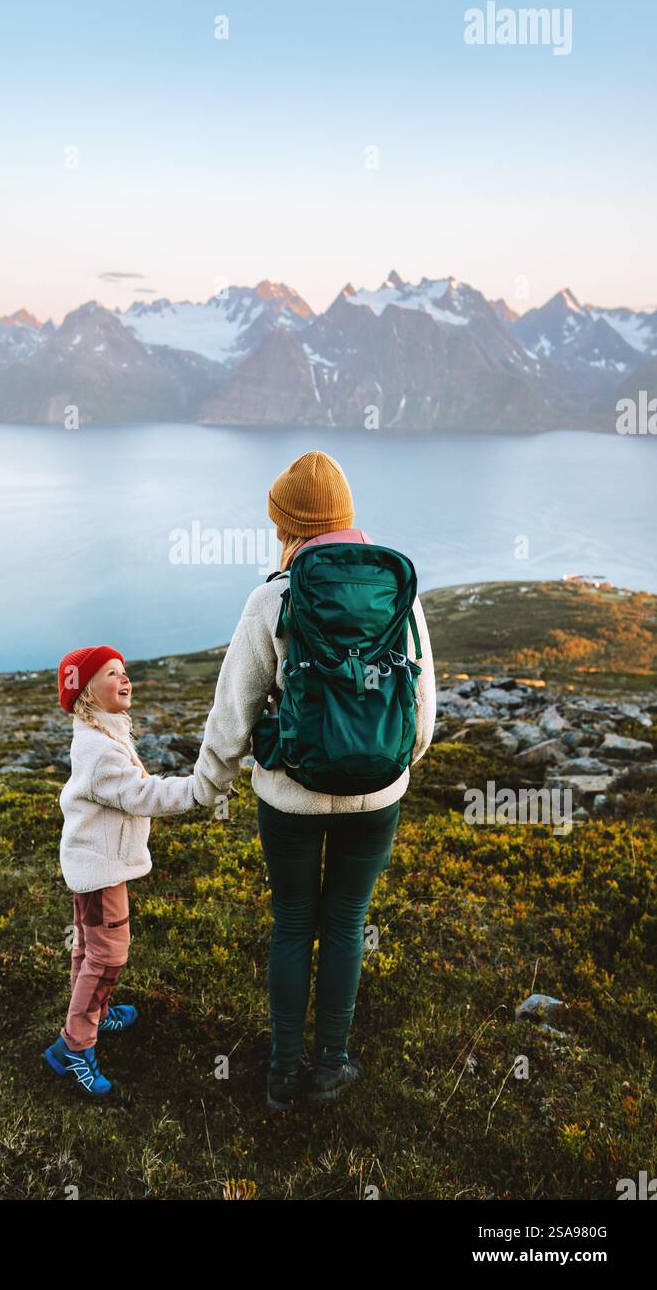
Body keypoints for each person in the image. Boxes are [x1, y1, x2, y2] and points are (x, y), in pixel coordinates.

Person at [191, 450, 436, 1110]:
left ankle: (281, 1073)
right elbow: (421, 712)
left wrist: (205, 788)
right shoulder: (395, 594)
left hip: (289, 798)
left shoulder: (272, 597)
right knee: (347, 922)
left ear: (283, 527)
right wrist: (389, 765)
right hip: (378, 796)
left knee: (294, 924)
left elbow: (232, 711)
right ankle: (331, 1066)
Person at [43, 645, 198, 1098]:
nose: (125, 678)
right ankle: (73, 1046)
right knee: (108, 955)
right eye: (112, 673)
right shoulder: (100, 750)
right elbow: (142, 795)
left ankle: (94, 1013)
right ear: (87, 692)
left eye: (124, 671)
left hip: (94, 865)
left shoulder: (104, 733)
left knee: (89, 949)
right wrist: (196, 790)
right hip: (101, 871)